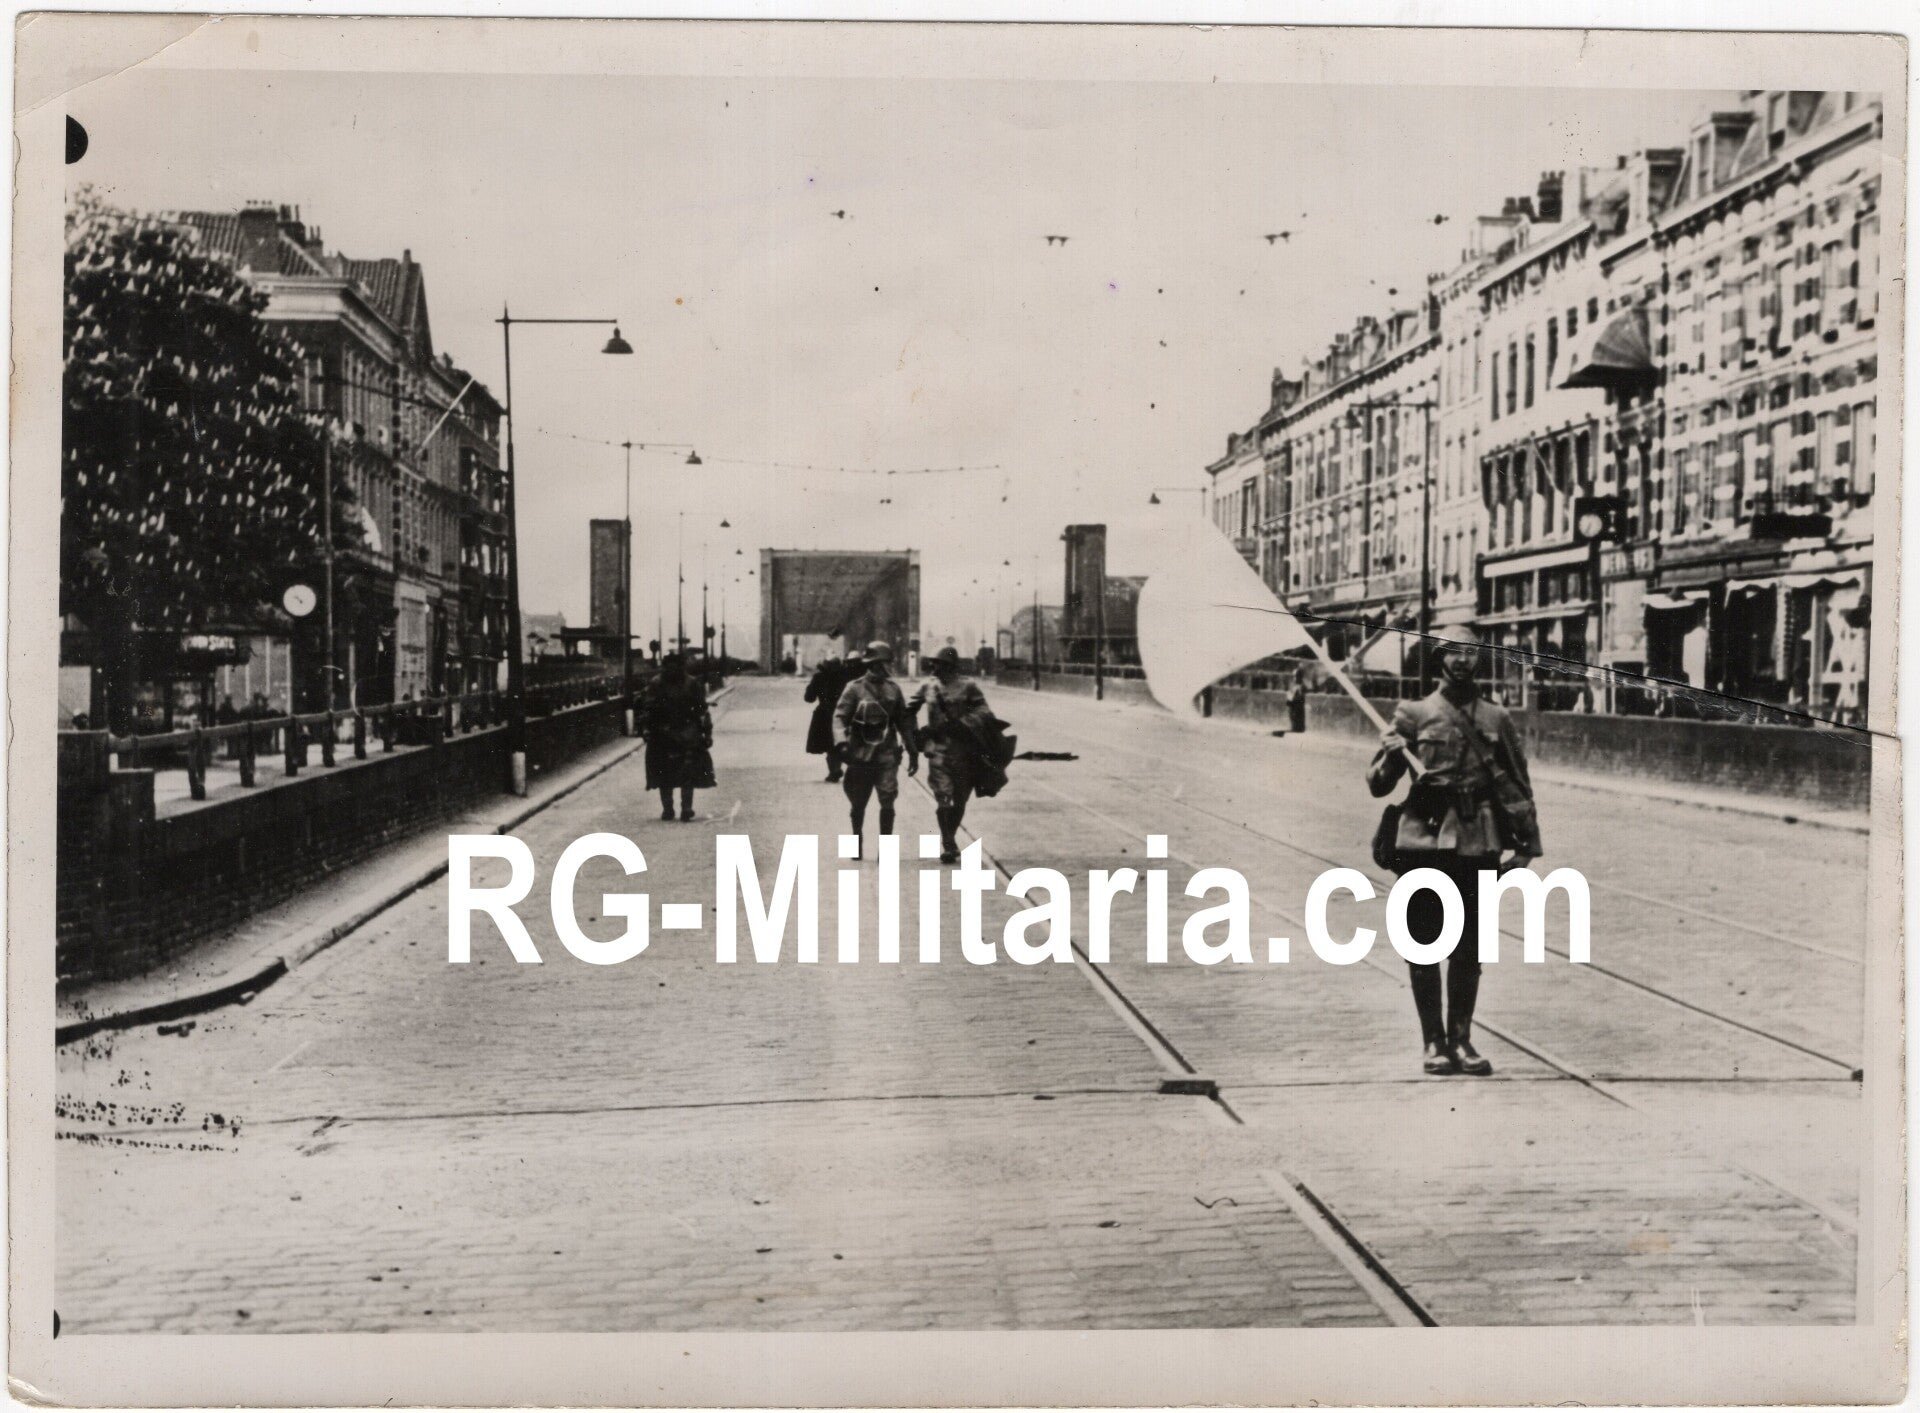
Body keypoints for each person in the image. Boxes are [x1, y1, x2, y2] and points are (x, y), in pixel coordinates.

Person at [1367, 623, 1541, 1077]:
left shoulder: (1496, 718)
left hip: (1477, 843)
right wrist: (1390, 754)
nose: (1462, 660)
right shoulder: (1412, 713)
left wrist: (1527, 845)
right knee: (1424, 944)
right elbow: (1377, 785)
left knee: (1469, 947)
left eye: (1470, 653)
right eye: (1453, 652)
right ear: (1439, 658)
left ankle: (1461, 1040)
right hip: (1422, 842)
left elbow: (1517, 781)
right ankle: (1433, 1043)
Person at [833, 640, 918, 859]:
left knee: (888, 799)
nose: (886, 667)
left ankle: (886, 850)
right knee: (858, 803)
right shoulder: (854, 688)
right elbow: (840, 716)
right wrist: (841, 741)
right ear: (873, 663)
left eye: (887, 663)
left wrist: (913, 750)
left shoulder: (893, 689)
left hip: (886, 753)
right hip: (860, 754)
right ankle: (855, 841)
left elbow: (904, 722)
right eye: (883, 663)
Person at [911, 646, 996, 864]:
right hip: (938, 750)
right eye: (933, 664)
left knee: (960, 800)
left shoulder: (968, 686)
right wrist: (915, 734)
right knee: (943, 797)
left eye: (938, 664)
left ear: (949, 666)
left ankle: (949, 836)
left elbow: (985, 711)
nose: (934, 668)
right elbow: (907, 709)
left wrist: (963, 724)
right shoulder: (928, 686)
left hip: (964, 751)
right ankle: (948, 841)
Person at [641, 653, 716, 821]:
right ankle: (668, 808)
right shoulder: (656, 684)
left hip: (686, 732)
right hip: (663, 733)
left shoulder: (691, 684)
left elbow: (701, 710)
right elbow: (648, 709)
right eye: (669, 666)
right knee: (664, 773)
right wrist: (648, 729)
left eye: (676, 666)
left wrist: (706, 732)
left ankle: (686, 808)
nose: (673, 670)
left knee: (687, 772)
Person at [804, 648, 859, 783]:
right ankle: (848, 767)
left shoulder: (819, 677)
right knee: (843, 741)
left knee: (829, 745)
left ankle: (834, 771)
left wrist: (812, 687)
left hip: (824, 715)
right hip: (844, 713)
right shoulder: (846, 676)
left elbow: (809, 698)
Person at [1285, 668, 1308, 734]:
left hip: (1298, 707)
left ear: (1300, 677)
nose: (1295, 678)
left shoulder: (1302, 686)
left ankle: (1297, 728)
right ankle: (1293, 727)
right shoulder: (1292, 685)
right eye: (1294, 676)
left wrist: (1293, 697)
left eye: (1296, 676)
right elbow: (1289, 695)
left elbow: (1301, 696)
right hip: (1293, 706)